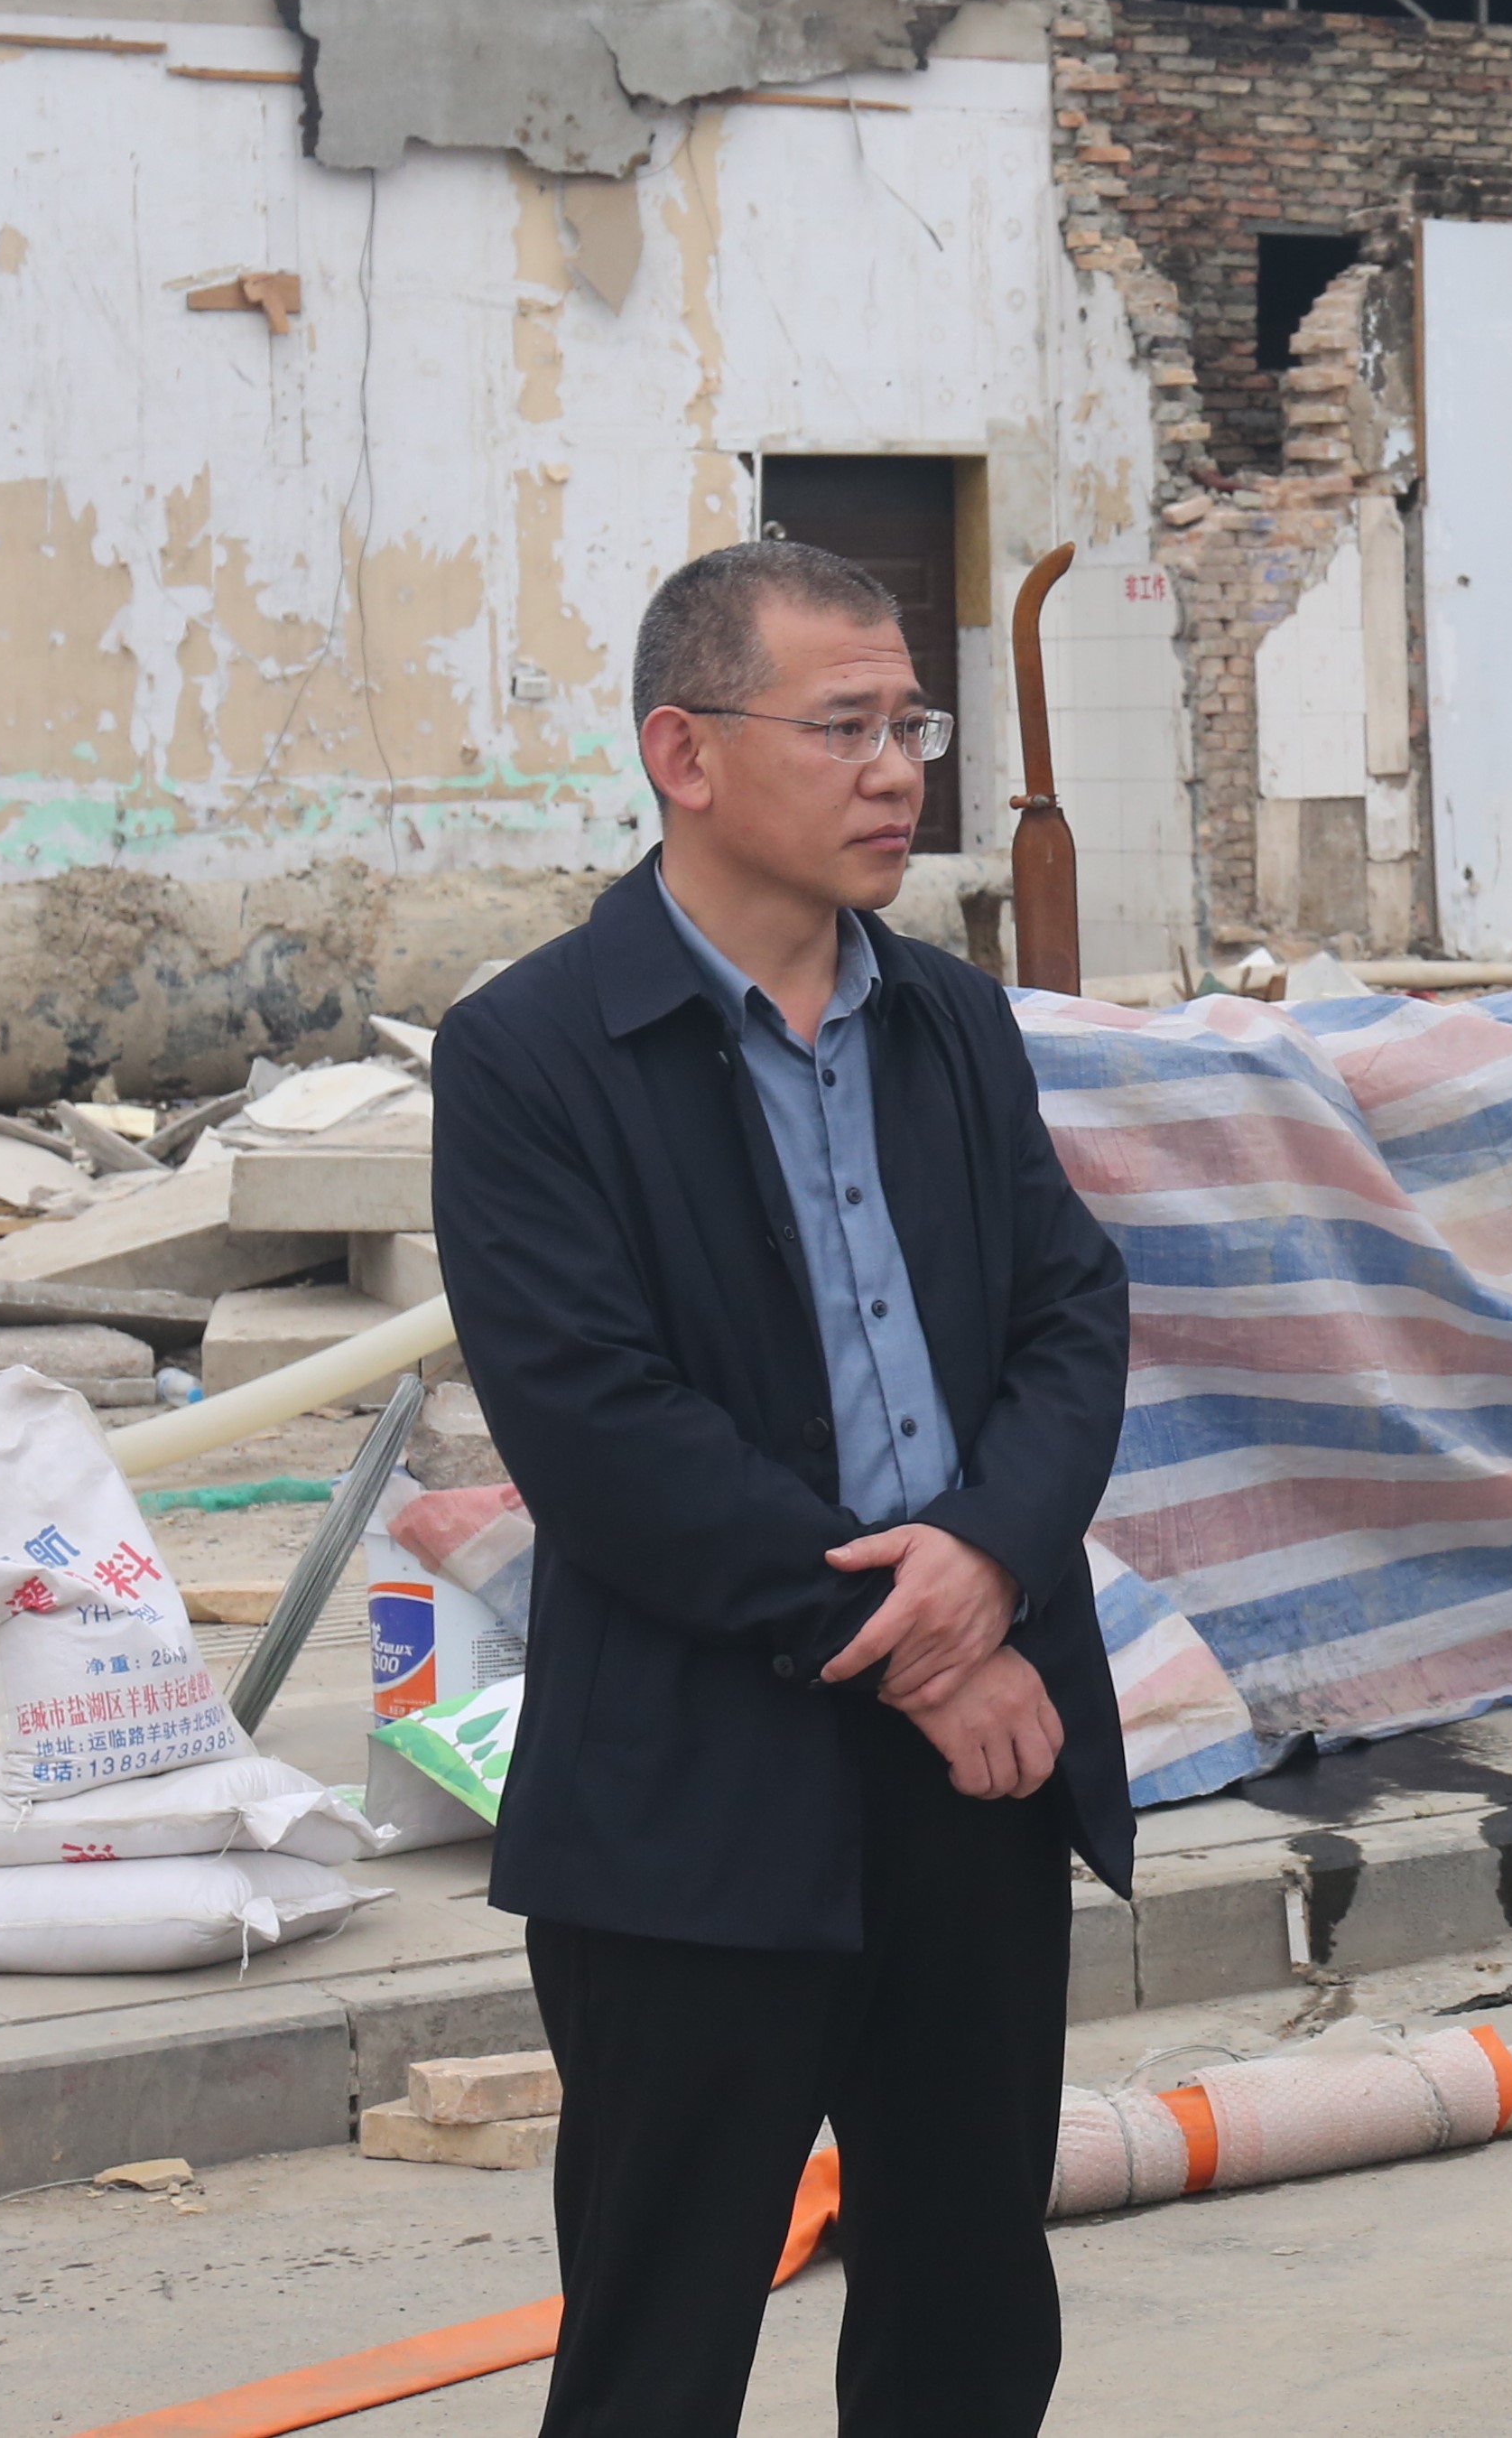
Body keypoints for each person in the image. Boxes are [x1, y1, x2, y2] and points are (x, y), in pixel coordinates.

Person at [433, 540, 1134, 2438]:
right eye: (844, 727)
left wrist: (990, 1556)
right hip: (697, 1788)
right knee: (661, 2337)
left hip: (975, 1786)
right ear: (685, 750)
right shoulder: (532, 1055)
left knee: (967, 2311)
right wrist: (923, 1642)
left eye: (912, 724)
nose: (898, 770)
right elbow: (602, 1427)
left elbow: (1071, 1313)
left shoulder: (951, 1019)